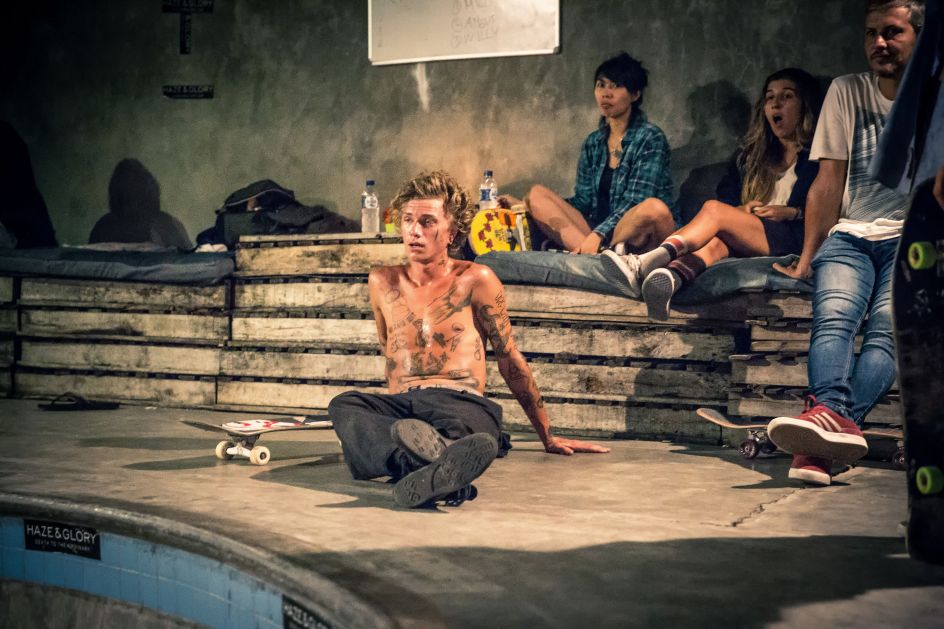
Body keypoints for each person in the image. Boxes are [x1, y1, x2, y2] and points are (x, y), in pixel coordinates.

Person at [329, 171, 609, 509]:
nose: (414, 231)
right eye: (407, 220)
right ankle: (435, 470)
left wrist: (546, 435)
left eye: (427, 222)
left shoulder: (477, 279)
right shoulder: (382, 281)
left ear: (452, 232)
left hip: (460, 401)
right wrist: (384, 420)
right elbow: (389, 350)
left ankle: (422, 463)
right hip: (404, 404)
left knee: (463, 431)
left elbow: (509, 357)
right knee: (345, 405)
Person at [765, 0, 923, 486]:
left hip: (913, 241)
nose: (880, 42)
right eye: (872, 33)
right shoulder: (846, 90)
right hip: (852, 234)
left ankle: (818, 442)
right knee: (834, 317)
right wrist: (807, 258)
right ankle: (832, 422)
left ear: (921, 36)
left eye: (892, 32)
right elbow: (828, 183)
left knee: (887, 332)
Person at [598, 68, 823, 320]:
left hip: (794, 238)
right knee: (716, 244)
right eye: (770, 97)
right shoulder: (749, 157)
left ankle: (645, 263)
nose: (776, 104)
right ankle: (668, 280)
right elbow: (729, 200)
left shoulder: (819, 158)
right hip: (753, 236)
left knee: (713, 209)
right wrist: (741, 210)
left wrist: (793, 213)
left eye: (787, 96)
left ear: (805, 105)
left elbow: (833, 207)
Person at [499, 52, 677, 254]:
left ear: (635, 95)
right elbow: (583, 202)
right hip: (600, 237)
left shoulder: (650, 137)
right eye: (601, 85)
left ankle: (593, 254)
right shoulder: (594, 143)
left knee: (653, 208)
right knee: (536, 194)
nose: (606, 93)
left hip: (634, 233)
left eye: (616, 86)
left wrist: (598, 235)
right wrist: (526, 206)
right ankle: (596, 258)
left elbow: (636, 200)